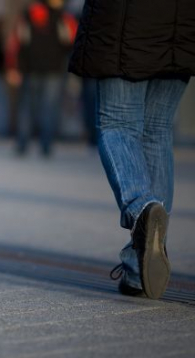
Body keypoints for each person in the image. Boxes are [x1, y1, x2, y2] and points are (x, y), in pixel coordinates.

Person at [69, 0, 194, 299]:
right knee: (157, 131)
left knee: (117, 123)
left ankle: (141, 208)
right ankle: (138, 270)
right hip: (182, 21)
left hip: (126, 21)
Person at [6, 0, 77, 157]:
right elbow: (71, 41)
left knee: (30, 107)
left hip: (36, 69)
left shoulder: (31, 12)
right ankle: (44, 144)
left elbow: (17, 40)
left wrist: (15, 66)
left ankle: (25, 143)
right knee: (46, 108)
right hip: (49, 69)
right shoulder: (62, 16)